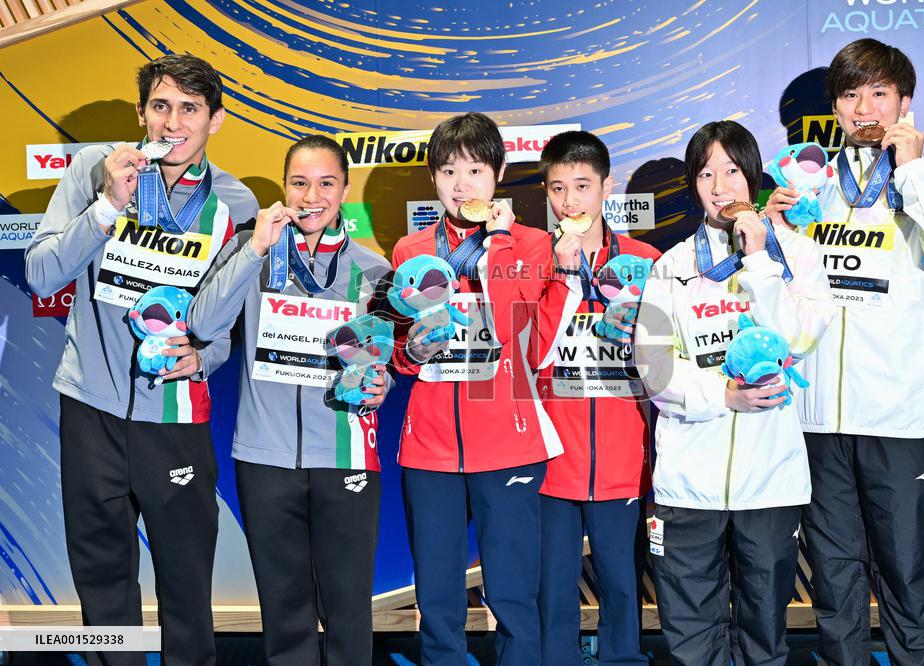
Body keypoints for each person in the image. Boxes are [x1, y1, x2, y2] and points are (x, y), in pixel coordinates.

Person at [24, 54, 258, 665]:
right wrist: (106, 208)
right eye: (160, 106)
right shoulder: (91, 171)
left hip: (175, 418)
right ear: (140, 113)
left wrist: (204, 357)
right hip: (90, 410)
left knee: (186, 583)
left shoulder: (235, 202)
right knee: (102, 581)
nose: (171, 123)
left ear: (216, 120)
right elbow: (41, 271)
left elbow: (230, 328)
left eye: (189, 109)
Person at [766, 38, 924, 665]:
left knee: (905, 573)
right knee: (835, 582)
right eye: (851, 94)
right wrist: (776, 227)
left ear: (904, 104)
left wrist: (913, 172)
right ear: (834, 108)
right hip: (815, 419)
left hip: (896, 417)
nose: (865, 106)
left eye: (879, 93)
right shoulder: (806, 191)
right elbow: (777, 297)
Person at [635, 120, 835, 665]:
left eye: (731, 171)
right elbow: (652, 367)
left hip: (769, 482)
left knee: (765, 636)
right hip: (686, 486)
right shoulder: (669, 268)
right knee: (690, 640)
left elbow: (800, 340)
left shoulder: (798, 256)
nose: (720, 186)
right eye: (706, 173)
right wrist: (723, 395)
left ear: (753, 176)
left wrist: (761, 262)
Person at [188, 135, 390, 665]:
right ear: (284, 188)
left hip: (346, 458)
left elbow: (383, 362)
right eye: (299, 183)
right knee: (284, 613)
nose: (311, 196)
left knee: (349, 613)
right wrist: (254, 247)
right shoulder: (248, 253)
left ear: (345, 188)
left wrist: (381, 383)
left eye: (326, 183)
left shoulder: (373, 270)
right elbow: (204, 325)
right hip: (264, 458)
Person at [390, 111, 563, 665]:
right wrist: (412, 351)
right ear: (434, 179)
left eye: (474, 170)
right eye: (447, 172)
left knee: (513, 593)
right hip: (430, 447)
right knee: (438, 598)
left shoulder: (533, 246)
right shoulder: (409, 251)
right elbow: (398, 355)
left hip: (508, 441)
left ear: (498, 174)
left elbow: (528, 337)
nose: (461, 185)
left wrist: (498, 245)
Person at [531, 130, 660, 666]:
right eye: (558, 189)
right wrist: (561, 278)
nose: (570, 202)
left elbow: (663, 367)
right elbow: (531, 356)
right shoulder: (532, 259)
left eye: (582, 186)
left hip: (622, 459)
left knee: (622, 586)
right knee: (554, 589)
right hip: (551, 461)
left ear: (607, 188)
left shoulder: (644, 260)